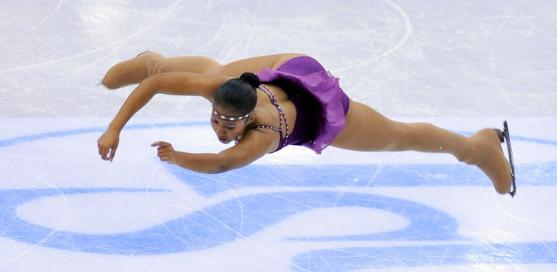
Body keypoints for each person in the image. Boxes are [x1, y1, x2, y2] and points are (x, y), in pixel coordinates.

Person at [97, 52, 515, 195]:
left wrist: (178, 157)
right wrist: (115, 127)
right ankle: (152, 55)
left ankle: (478, 148)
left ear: (245, 120)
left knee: (396, 136)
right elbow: (155, 86)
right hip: (279, 70)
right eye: (217, 123)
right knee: (216, 68)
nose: (220, 132)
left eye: (228, 128)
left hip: (314, 101)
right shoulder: (224, 88)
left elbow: (224, 164)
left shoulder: (263, 134)